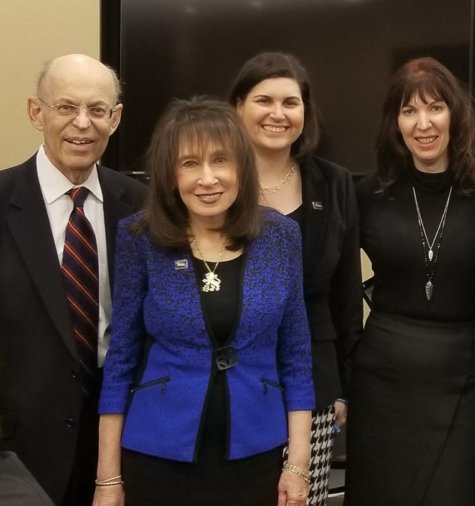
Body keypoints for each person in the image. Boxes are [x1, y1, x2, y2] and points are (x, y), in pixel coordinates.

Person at [93, 98, 315, 506]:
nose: (207, 178)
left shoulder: (281, 236)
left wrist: (297, 464)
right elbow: (121, 358)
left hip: (256, 453)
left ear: (241, 168)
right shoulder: (139, 238)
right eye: (189, 163)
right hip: (157, 454)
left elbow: (296, 357)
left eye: (220, 160)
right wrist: (107, 479)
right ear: (169, 173)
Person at [0, 54, 147, 505]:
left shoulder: (143, 206)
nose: (82, 124)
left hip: (122, 441)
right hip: (18, 450)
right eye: (65, 107)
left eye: (97, 110)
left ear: (115, 118)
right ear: (35, 112)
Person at [347, 57, 475, 506]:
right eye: (409, 111)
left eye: (435, 108)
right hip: (382, 380)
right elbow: (333, 286)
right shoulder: (366, 195)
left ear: (456, 115)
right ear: (395, 122)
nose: (423, 123)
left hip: (464, 377)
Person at [229, 52, 363, 505]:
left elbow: (346, 292)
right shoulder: (213, 182)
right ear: (237, 108)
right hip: (232, 375)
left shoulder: (333, 183)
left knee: (302, 497)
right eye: (263, 100)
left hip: (315, 379)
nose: (278, 114)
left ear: (305, 113)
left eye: (291, 102)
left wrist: (343, 385)